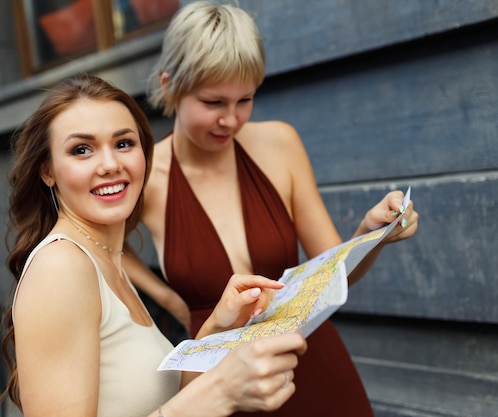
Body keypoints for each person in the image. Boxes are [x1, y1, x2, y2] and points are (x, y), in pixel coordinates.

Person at [122, 2, 419, 417]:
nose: (231, 119)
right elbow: (105, 247)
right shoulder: (144, 176)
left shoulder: (280, 144)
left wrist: (371, 231)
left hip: (310, 361)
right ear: (170, 86)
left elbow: (332, 273)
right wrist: (166, 298)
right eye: (213, 102)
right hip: (219, 381)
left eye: (245, 99)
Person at [0, 73, 308, 417]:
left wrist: (218, 329)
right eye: (81, 150)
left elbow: (158, 401)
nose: (111, 165)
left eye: (123, 143)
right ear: (47, 171)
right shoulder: (61, 268)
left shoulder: (104, 258)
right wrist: (219, 392)